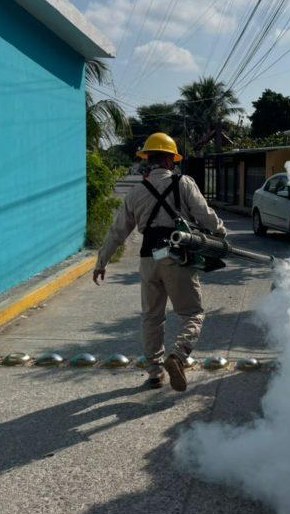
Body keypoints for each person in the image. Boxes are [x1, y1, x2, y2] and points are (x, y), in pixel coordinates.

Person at [93, 132, 226, 391]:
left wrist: (101, 262)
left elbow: (118, 231)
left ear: (148, 159)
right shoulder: (184, 183)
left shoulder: (135, 192)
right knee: (192, 313)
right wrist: (220, 232)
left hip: (148, 259)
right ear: (169, 160)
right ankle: (177, 354)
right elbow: (205, 215)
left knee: (152, 318)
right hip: (177, 256)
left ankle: (154, 373)